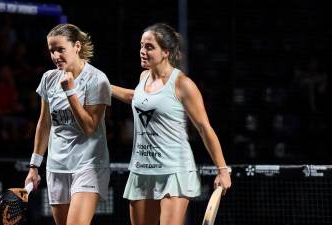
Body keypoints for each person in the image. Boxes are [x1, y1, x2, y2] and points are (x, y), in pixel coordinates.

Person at [111, 23, 232, 225]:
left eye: (149, 47)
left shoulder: (182, 84)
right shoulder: (144, 77)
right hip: (142, 169)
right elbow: (136, 97)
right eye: (141, 45)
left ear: (166, 52)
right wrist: (104, 85)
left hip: (174, 170)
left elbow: (204, 127)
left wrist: (222, 170)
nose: (142, 51)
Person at [24, 23, 111, 225]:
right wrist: (34, 167)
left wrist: (70, 92)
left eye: (60, 49)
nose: (55, 56)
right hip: (56, 167)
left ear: (77, 46)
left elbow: (90, 127)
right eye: (51, 51)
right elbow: (44, 124)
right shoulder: (48, 78)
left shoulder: (97, 79)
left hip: (89, 166)